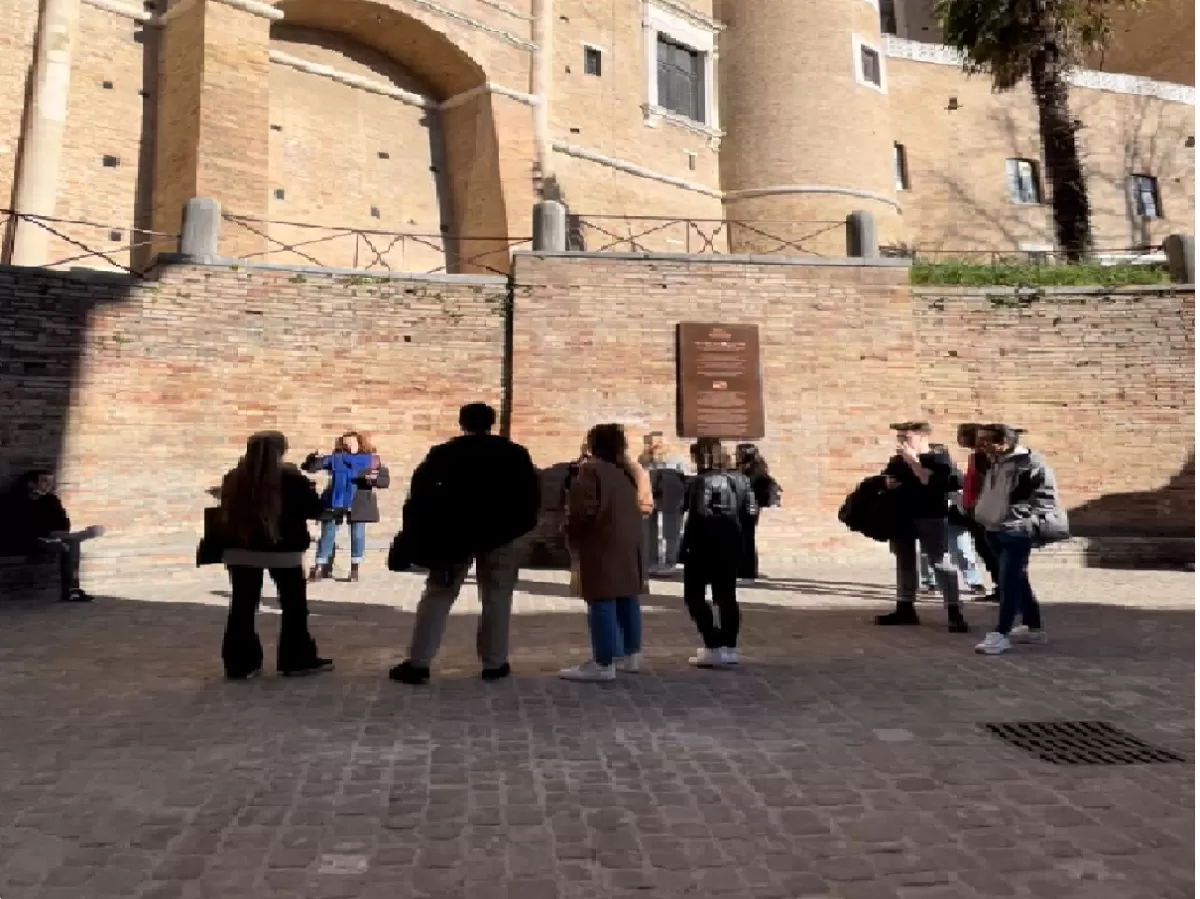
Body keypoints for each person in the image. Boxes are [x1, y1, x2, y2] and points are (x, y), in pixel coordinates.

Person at [389, 402, 540, 685]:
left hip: (452, 537)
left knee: (437, 596)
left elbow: (420, 495)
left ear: (462, 423)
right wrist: (517, 528)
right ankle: (495, 663)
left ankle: (419, 663)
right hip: (501, 535)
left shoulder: (445, 453)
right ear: (492, 423)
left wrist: (420, 532)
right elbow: (531, 496)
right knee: (497, 598)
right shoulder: (514, 454)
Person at [216, 431, 331, 679]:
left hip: (240, 550)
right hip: (283, 551)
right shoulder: (291, 479)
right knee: (294, 607)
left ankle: (240, 664)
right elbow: (315, 510)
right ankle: (296, 659)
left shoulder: (234, 478)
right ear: (281, 451)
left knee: (242, 607)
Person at [558, 423, 647, 682]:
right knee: (627, 597)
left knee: (602, 599)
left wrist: (569, 532)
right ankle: (632, 654)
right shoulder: (627, 472)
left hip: (601, 542)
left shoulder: (591, 471)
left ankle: (604, 661)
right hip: (629, 542)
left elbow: (581, 511)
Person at [972, 424, 1069, 655]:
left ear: (1003, 442)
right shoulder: (995, 461)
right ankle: (1033, 628)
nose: (980, 446)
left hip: (1015, 532)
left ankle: (1000, 634)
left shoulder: (1031, 464)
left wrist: (1020, 520)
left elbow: (1045, 499)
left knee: (1008, 582)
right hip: (994, 529)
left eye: (985, 441)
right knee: (1018, 579)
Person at [876, 422, 970, 633]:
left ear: (923, 438)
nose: (901, 442)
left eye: (905, 438)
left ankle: (954, 611)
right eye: (899, 438)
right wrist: (887, 482)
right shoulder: (897, 460)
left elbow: (930, 481)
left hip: (931, 517)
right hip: (901, 517)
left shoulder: (939, 458)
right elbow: (887, 478)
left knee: (940, 562)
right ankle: (905, 608)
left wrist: (913, 461)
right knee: (904, 562)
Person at [679, 439, 757, 668]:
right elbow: (750, 512)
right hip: (731, 543)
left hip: (704, 547)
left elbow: (699, 516)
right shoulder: (742, 479)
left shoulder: (701, 482)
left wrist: (686, 549)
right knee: (726, 595)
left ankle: (713, 644)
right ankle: (729, 646)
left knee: (694, 596)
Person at [1, 470, 104, 602]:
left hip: (49, 538)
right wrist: (49, 533)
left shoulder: (51, 500)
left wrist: (56, 534)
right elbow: (17, 528)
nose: (48, 485)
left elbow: (63, 524)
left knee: (71, 543)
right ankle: (78, 536)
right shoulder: (13, 500)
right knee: (66, 542)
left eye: (50, 481)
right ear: (31, 484)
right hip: (18, 541)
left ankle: (72, 591)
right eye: (44, 481)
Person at [305, 432, 386, 582]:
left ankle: (355, 570)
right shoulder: (335, 459)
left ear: (359, 443)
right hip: (335, 501)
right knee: (328, 534)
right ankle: (319, 567)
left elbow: (384, 481)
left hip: (358, 501)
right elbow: (311, 468)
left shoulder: (371, 460)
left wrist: (373, 480)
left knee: (357, 535)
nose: (348, 445)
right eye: (345, 442)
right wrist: (313, 457)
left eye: (351, 442)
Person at [954, 422, 1001, 600]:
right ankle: (1000, 588)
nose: (959, 439)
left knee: (991, 551)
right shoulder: (978, 456)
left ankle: (1004, 589)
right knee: (986, 551)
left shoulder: (984, 458)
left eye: (962, 435)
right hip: (975, 510)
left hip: (982, 512)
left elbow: (984, 485)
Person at [734, 444, 780, 580]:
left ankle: (747, 573)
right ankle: (743, 570)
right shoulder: (752, 467)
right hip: (747, 507)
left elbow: (748, 487)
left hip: (749, 508)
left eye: (738, 453)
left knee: (747, 539)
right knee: (744, 538)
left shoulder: (753, 469)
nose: (736, 455)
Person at [644, 442, 688, 572]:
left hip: (671, 496)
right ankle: (653, 561)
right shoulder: (646, 460)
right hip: (654, 494)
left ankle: (670, 562)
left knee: (670, 531)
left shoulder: (677, 462)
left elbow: (685, 481)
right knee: (651, 530)